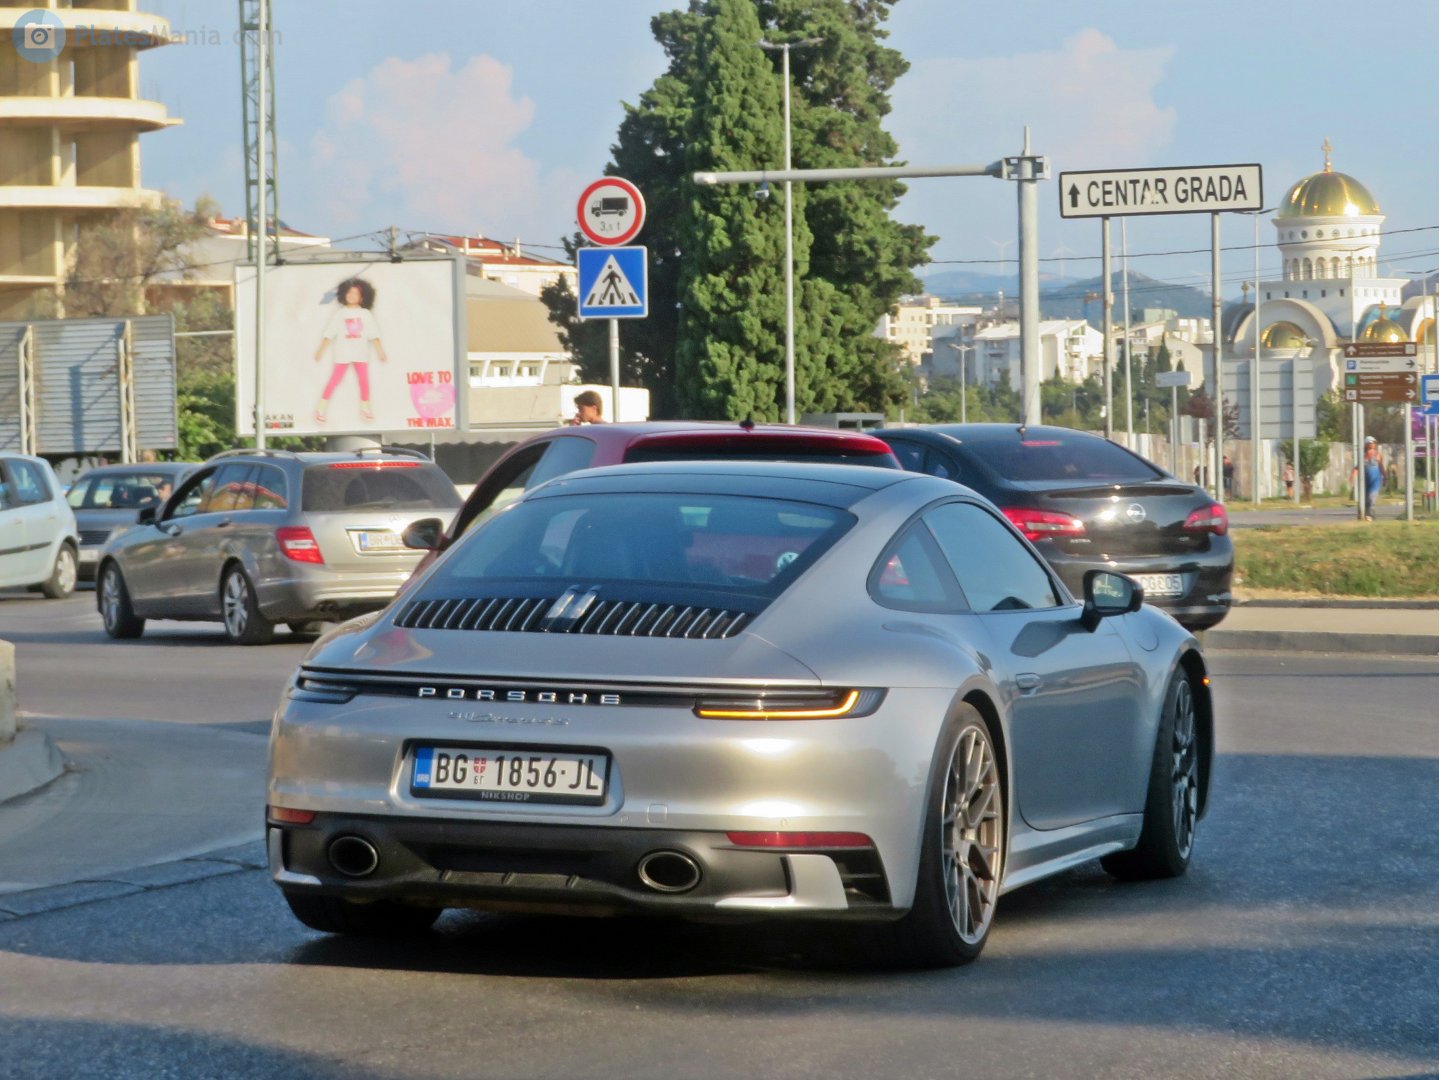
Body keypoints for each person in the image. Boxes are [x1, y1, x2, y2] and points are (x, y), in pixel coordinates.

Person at [314, 277, 387, 424]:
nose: (352, 296)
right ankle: (321, 408)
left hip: (360, 353)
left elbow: (374, 334)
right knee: (335, 380)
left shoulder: (365, 314)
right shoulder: (340, 314)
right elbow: (330, 332)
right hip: (343, 352)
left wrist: (380, 351)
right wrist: (320, 350)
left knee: (363, 380)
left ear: (362, 298)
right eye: (349, 293)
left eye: (356, 294)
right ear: (344, 295)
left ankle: (365, 409)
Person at [1350, 436, 1384, 521]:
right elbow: (1357, 467)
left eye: (1374, 443)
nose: (1373, 445)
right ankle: (1364, 515)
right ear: (1366, 444)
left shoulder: (1377, 455)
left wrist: (1385, 476)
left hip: (1375, 480)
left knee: (1371, 497)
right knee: (1365, 498)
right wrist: (1352, 475)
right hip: (1366, 481)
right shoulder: (1363, 456)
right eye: (1371, 443)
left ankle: (1370, 515)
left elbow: (1381, 466)